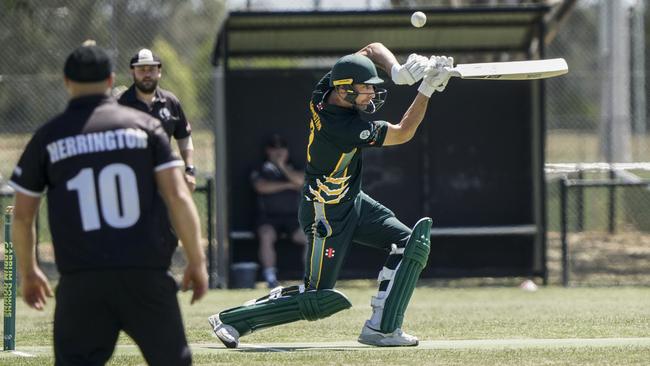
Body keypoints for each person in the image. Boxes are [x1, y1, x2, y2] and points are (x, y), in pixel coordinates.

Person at [208, 42, 453, 348]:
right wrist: (426, 90)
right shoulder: (342, 127)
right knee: (318, 297)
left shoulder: (325, 89)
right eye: (365, 89)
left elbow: (371, 49)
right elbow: (403, 131)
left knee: (410, 244)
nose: (372, 94)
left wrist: (397, 71)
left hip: (353, 200)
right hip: (326, 212)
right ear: (346, 91)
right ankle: (232, 320)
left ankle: (383, 328)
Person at [10, 42, 208, 365]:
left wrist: (29, 271)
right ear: (111, 80)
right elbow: (177, 197)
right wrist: (196, 260)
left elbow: (22, 216)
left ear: (65, 81)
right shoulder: (147, 129)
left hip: (82, 280)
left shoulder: (49, 136)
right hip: (146, 274)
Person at [117, 48, 197, 192]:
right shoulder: (119, 104)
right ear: (132, 72)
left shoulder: (171, 101)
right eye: (141, 69)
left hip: (164, 182)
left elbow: (184, 136)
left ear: (159, 72)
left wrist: (189, 169)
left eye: (151, 69)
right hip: (129, 184)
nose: (147, 74)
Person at [251, 133, 307, 288]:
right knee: (266, 235)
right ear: (268, 151)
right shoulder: (260, 168)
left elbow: (301, 181)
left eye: (282, 148)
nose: (279, 152)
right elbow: (261, 187)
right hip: (268, 217)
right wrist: (288, 185)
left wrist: (282, 167)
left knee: (310, 236)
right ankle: (270, 277)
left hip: (293, 218)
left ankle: (309, 277)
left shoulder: (295, 166)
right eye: (274, 148)